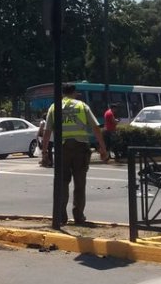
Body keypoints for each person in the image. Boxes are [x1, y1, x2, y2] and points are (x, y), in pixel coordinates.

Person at [40, 83, 109, 224]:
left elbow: (47, 132)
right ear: (75, 93)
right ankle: (78, 215)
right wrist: (103, 148)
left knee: (62, 183)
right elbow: (96, 128)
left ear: (62, 93)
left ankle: (61, 216)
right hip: (80, 148)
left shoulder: (54, 107)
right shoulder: (82, 106)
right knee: (79, 183)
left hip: (62, 148)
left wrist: (44, 152)